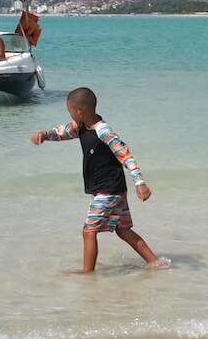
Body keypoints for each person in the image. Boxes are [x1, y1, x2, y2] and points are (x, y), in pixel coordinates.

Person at [29, 86, 167, 272]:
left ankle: (87, 275)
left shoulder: (103, 131)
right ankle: (156, 263)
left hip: (108, 190)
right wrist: (45, 135)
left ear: (80, 111)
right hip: (113, 189)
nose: (70, 115)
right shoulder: (81, 126)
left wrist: (140, 182)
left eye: (70, 111)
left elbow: (125, 155)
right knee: (122, 230)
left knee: (89, 231)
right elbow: (63, 132)